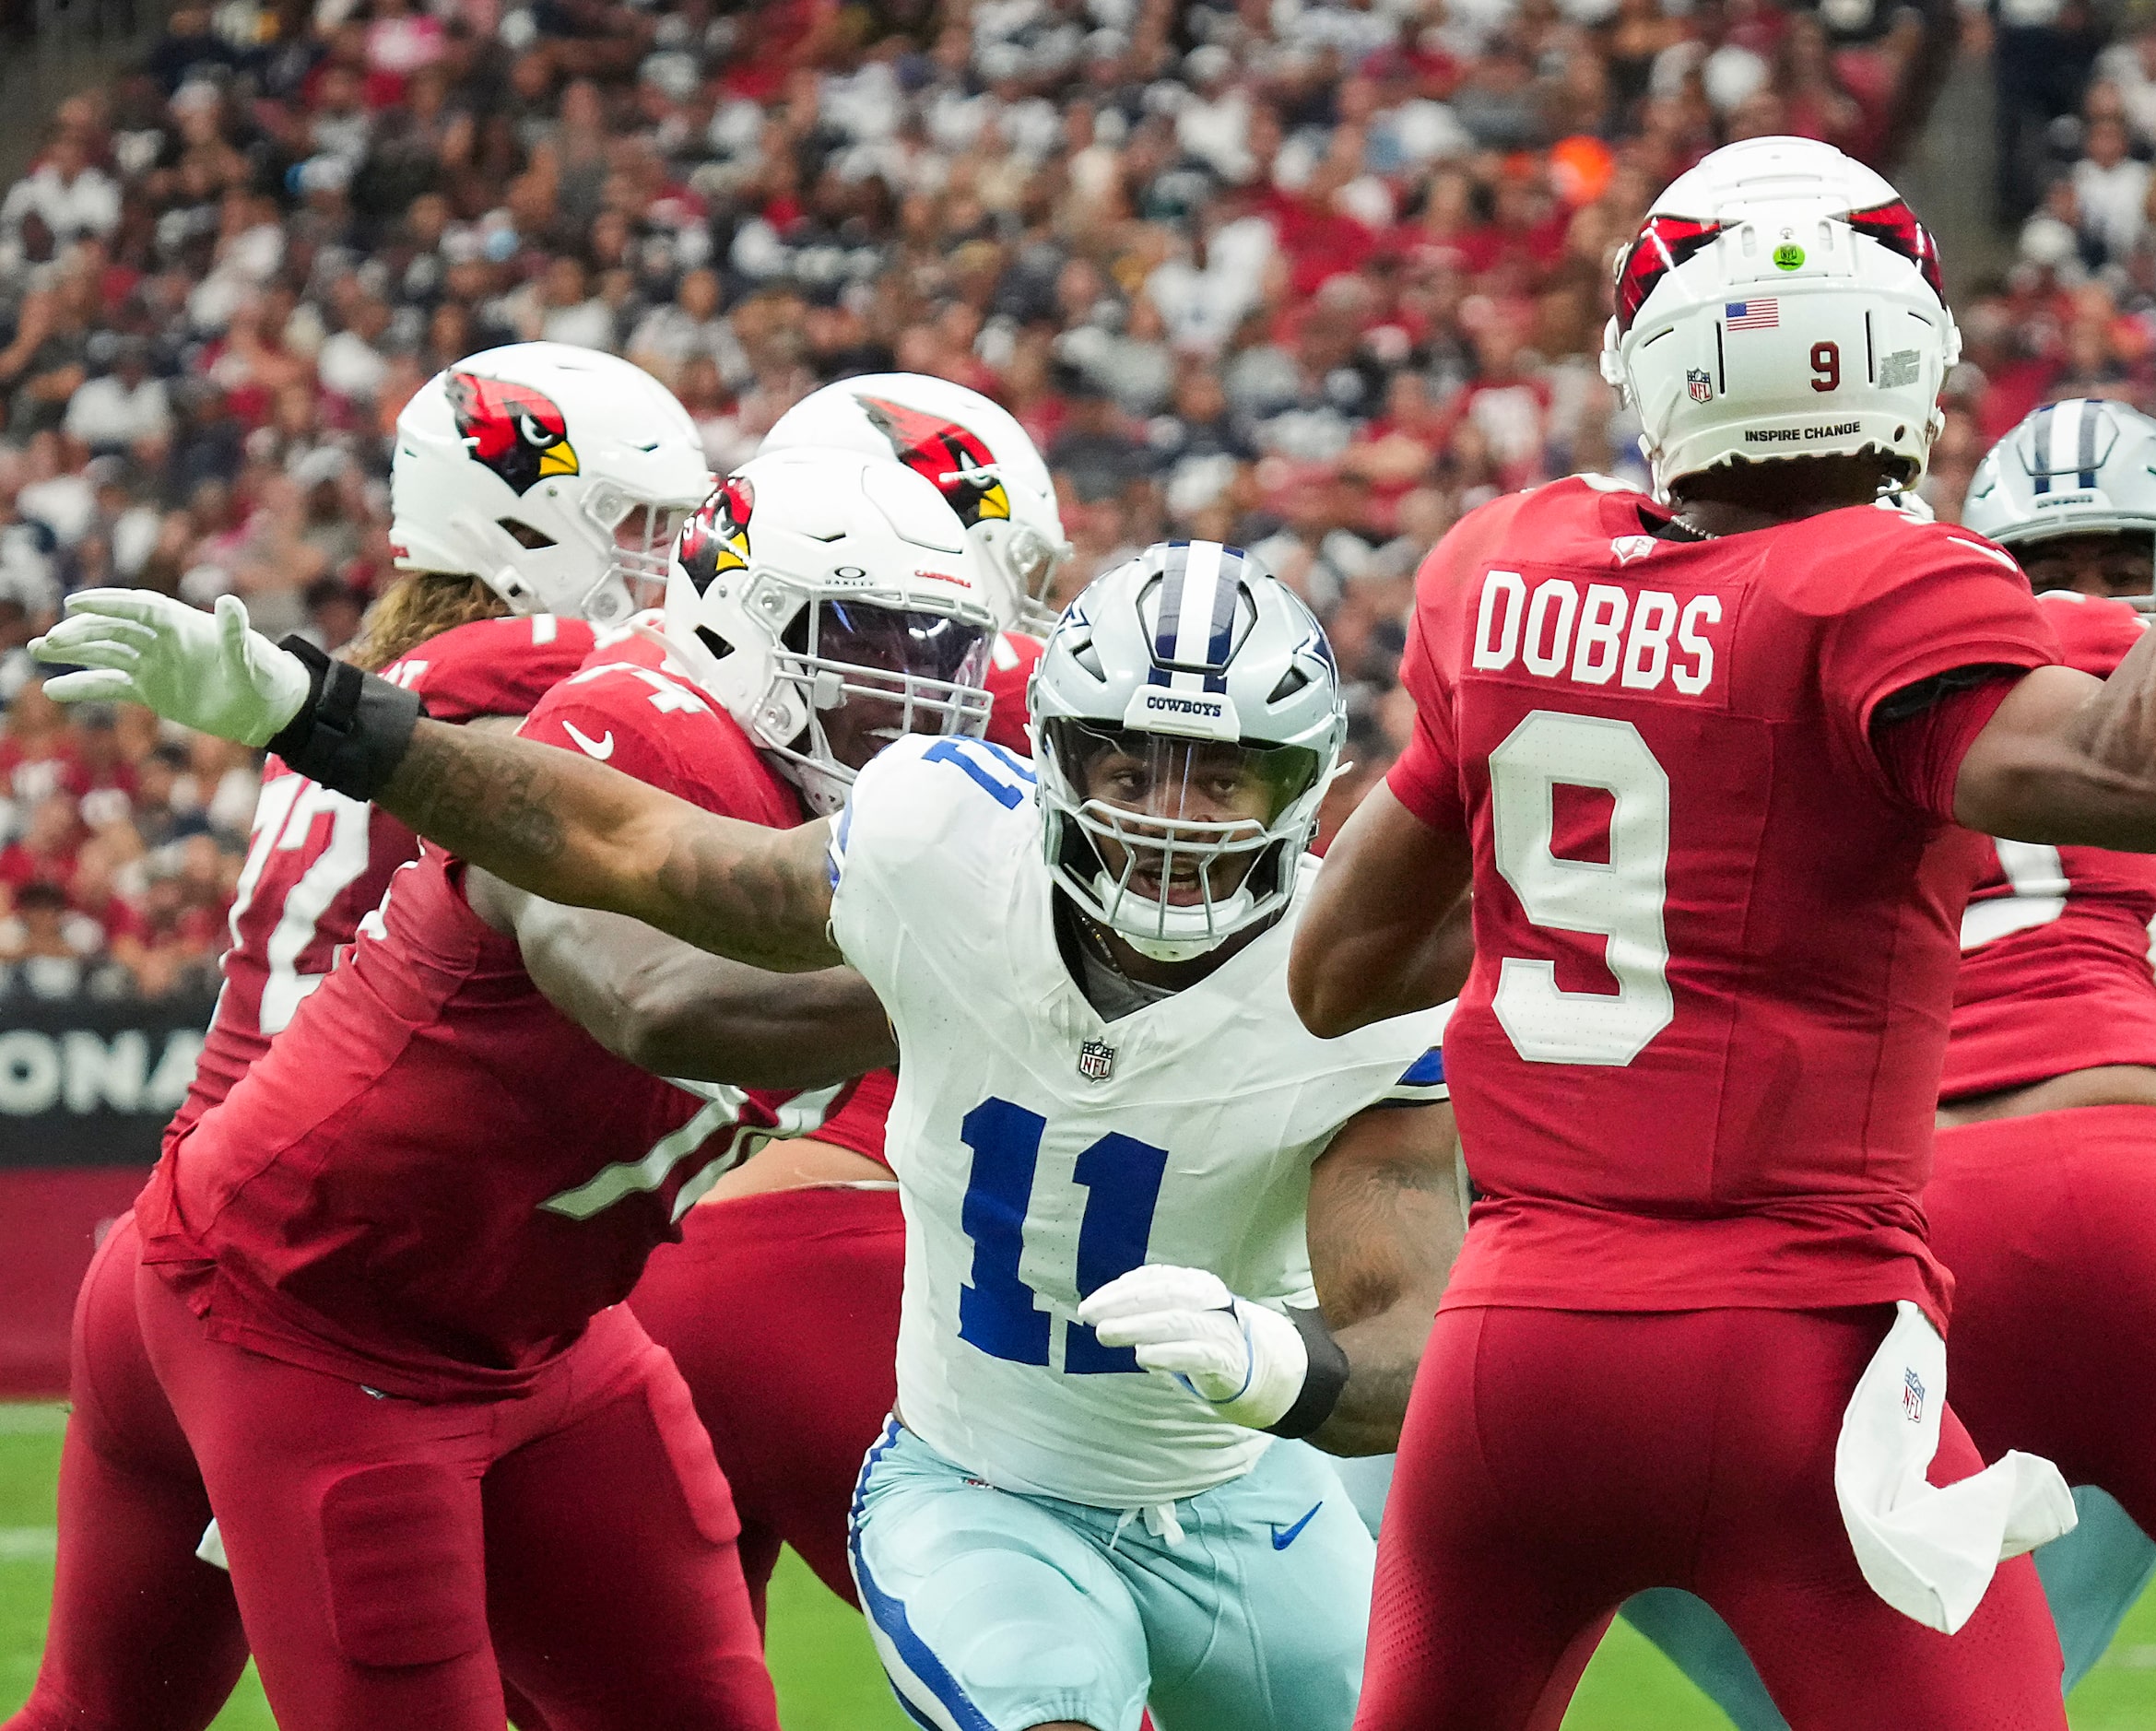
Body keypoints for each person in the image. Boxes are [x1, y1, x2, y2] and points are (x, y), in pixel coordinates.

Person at [1279, 134, 2156, 1727]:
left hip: (1511, 1352)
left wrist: (1606, 881)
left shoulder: (1499, 568)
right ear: (1902, 358)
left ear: (1657, 361)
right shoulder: (1891, 591)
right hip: (1792, 1341)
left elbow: (1337, 974)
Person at [35, 538, 1464, 1731]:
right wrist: (323, 709)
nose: (1168, 821)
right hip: (980, 1481)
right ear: (1055, 753)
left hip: (1234, 1488)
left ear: (1303, 786)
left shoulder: (1347, 987)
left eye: (1222, 778)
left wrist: (1280, 1361)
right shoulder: (941, 840)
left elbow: (1408, 1328)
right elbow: (628, 846)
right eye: (1133, 765)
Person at [22, 446, 999, 1730]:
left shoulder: (887, 804)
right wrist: (1002, 975)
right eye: (869, 639)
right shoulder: (637, 730)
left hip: (547, 1338)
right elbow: (654, 1001)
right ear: (735, 618)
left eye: (944, 650)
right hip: (308, 1320)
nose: (914, 691)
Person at [1619, 400, 2156, 1731]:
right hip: (2115, 1236)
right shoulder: (1924, 754)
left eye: (2119, 562)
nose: (2084, 603)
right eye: (2051, 564)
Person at [7, 341, 708, 1731]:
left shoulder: (400, 678)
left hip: (270, 1248)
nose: (670, 566)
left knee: (93, 1713)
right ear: (523, 526)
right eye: (640, 528)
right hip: (322, 1292)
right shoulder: (526, 682)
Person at [626, 375, 1070, 1630]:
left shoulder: (638, 708)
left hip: (628, 1276)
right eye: (884, 623)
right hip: (853, 1245)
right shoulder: (1003, 722)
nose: (953, 656)